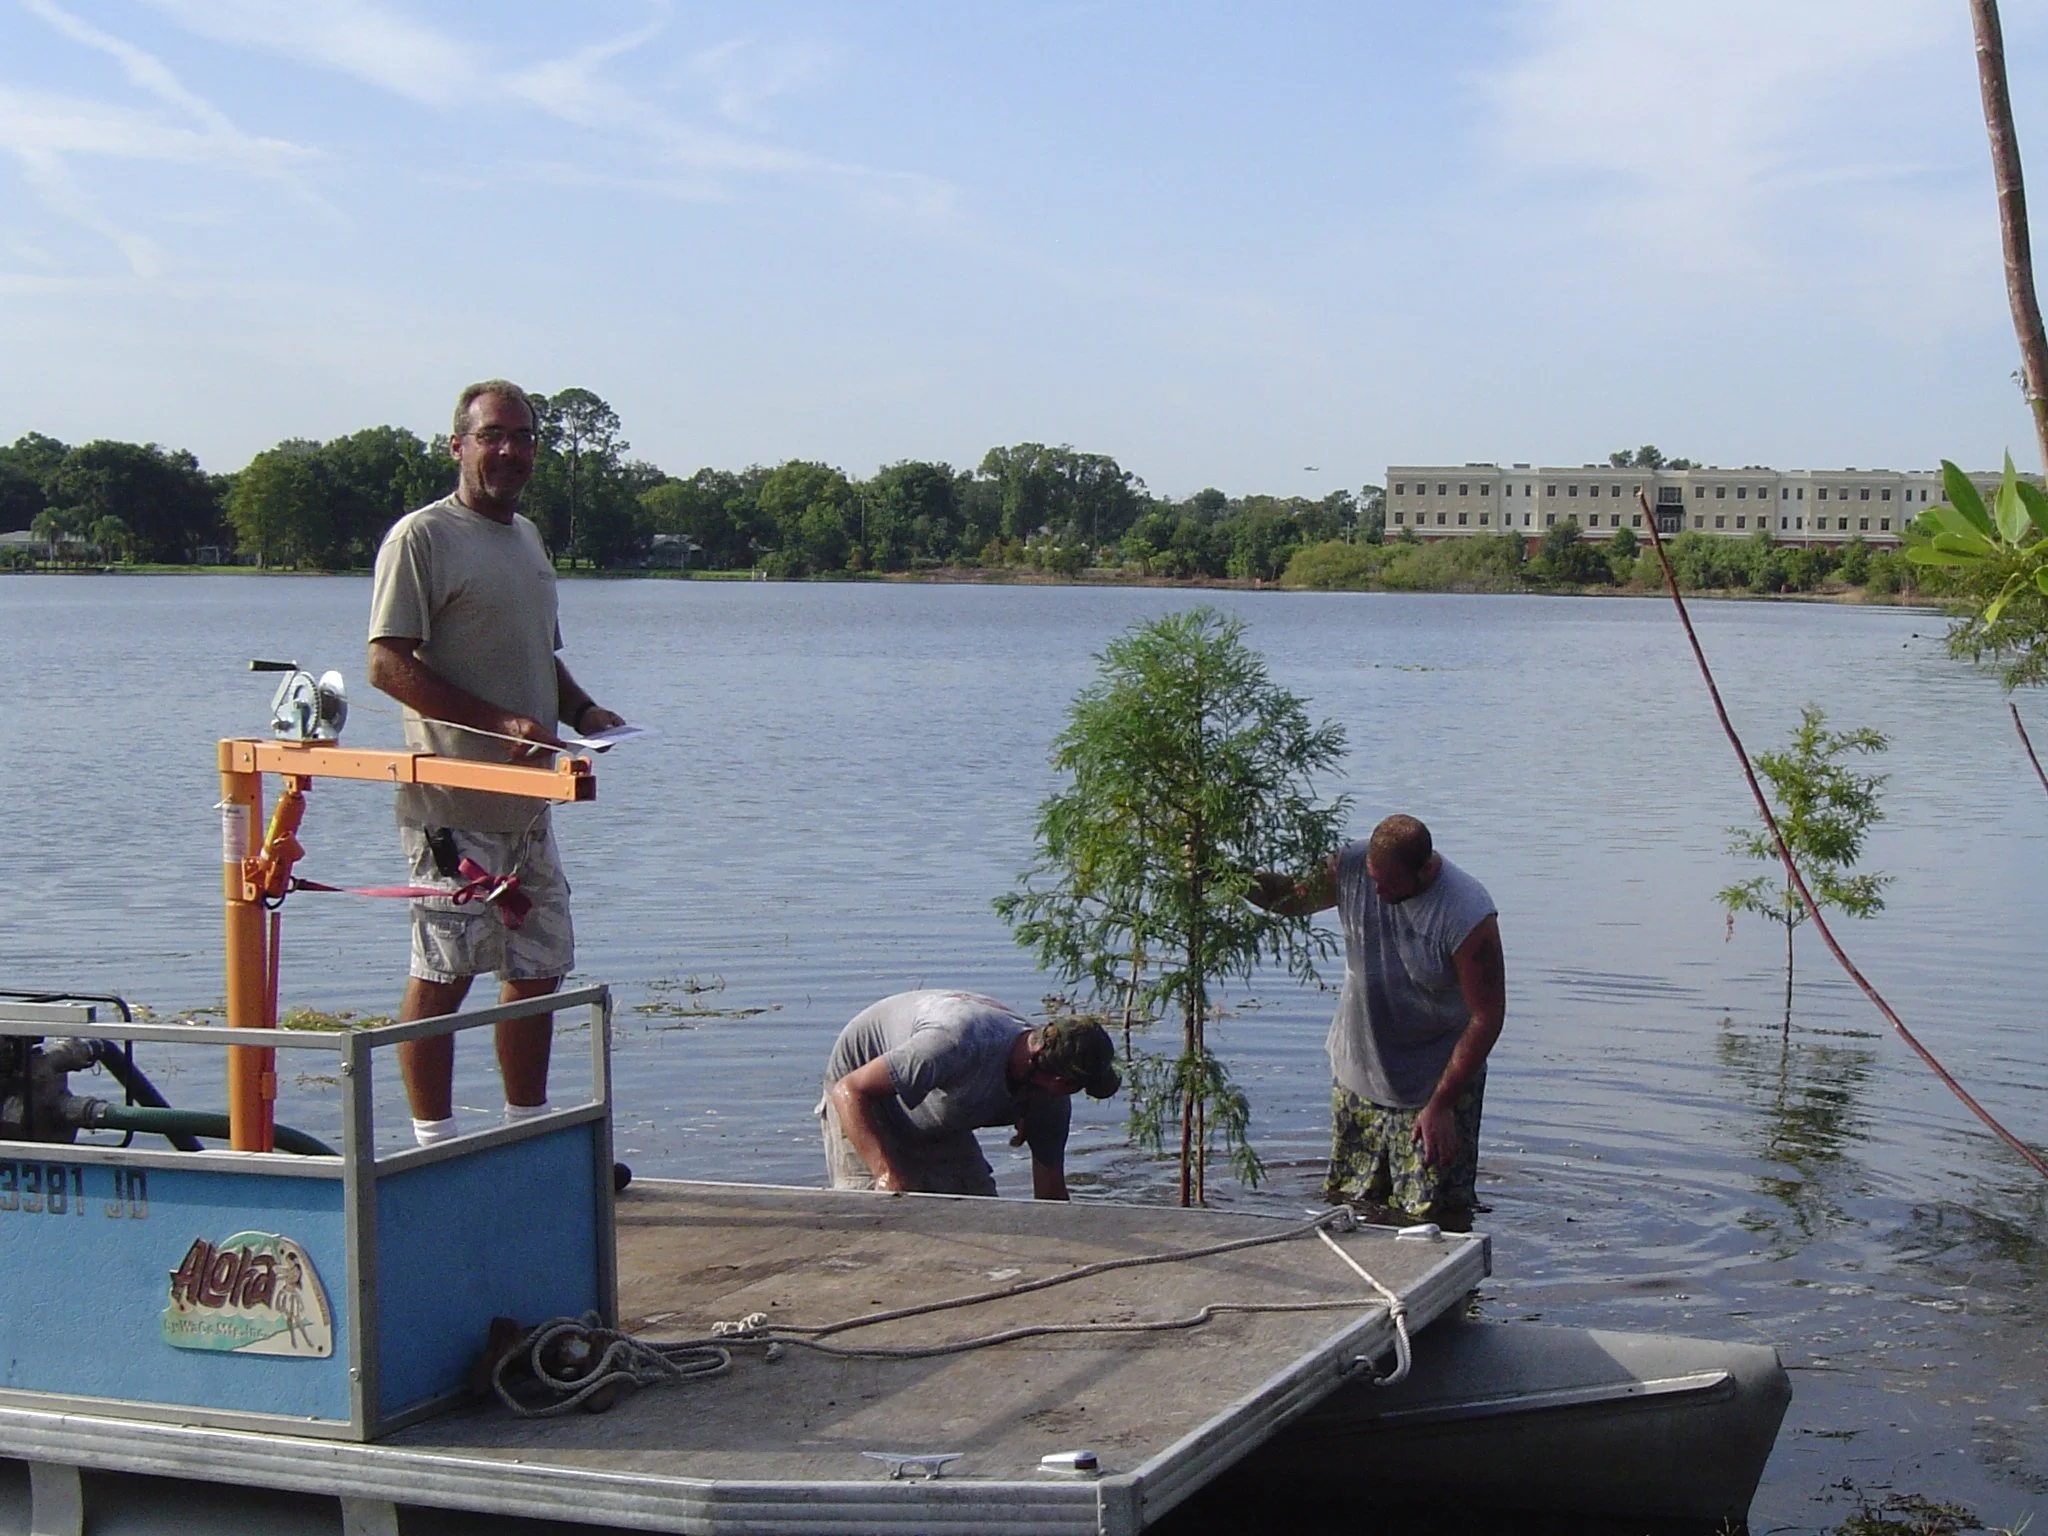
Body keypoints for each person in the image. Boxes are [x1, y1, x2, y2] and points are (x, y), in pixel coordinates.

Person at [367, 379, 623, 1147]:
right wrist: (496, 721)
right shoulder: (422, 538)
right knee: (445, 973)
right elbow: (386, 663)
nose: (508, 450)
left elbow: (539, 656)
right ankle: (433, 1144)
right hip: (452, 806)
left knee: (538, 968)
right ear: (458, 444)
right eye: (491, 436)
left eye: (522, 437)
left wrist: (580, 712)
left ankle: (526, 1134)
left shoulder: (527, 538)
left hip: (528, 803)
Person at [1248, 814, 1504, 1231]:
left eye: (1389, 883)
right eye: (1372, 877)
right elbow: (1291, 899)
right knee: (1349, 1203)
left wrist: (1441, 1105)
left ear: (1426, 869)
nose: (1377, 889)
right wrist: (1227, 875)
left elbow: (1487, 1016)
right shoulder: (1350, 866)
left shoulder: (1466, 914)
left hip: (1433, 1084)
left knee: (1431, 1217)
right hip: (1360, 1068)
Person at [822, 990, 1121, 1200]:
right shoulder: (956, 1044)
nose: (1074, 1095)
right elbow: (849, 1089)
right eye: (1075, 1086)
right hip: (865, 1094)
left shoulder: (1051, 1102)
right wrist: (887, 1174)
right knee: (887, 1208)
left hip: (942, 1107)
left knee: (979, 1208)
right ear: (1057, 1077)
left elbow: (1050, 1195)